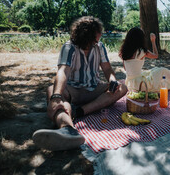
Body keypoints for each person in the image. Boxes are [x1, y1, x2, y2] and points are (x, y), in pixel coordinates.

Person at [32, 16, 128, 151]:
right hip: (74, 90)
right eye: (95, 40)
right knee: (51, 91)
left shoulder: (100, 46)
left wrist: (112, 80)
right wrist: (57, 96)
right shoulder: (69, 47)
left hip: (94, 88)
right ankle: (67, 130)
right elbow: (63, 71)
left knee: (122, 87)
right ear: (85, 37)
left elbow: (107, 69)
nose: (97, 42)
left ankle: (79, 112)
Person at [119, 27, 170, 92]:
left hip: (129, 83)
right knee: (161, 70)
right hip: (141, 85)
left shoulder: (123, 52)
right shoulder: (141, 51)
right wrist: (153, 41)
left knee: (153, 70)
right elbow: (156, 55)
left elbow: (126, 69)